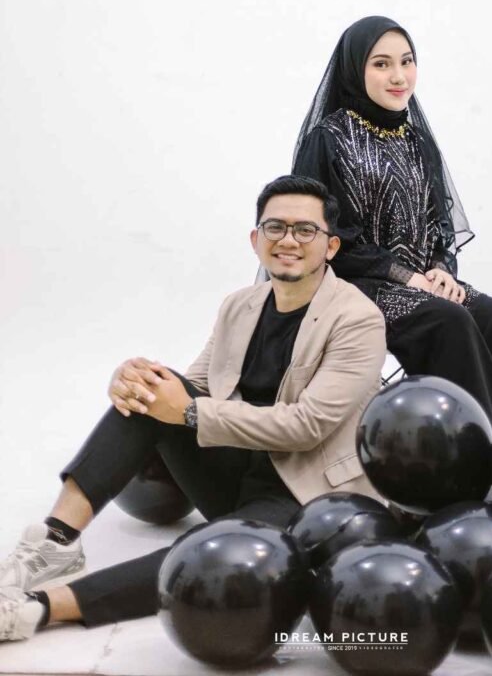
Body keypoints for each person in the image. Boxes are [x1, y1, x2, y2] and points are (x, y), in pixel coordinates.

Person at [0, 175, 385, 642]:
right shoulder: (240, 305)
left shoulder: (358, 319)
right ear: (256, 239)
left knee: (211, 552)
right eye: (275, 227)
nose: (288, 240)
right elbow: (196, 385)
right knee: (150, 389)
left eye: (305, 230)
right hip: (234, 471)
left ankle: (38, 609)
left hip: (302, 492)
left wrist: (188, 411)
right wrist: (134, 380)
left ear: (330, 246)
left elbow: (307, 426)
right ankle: (55, 542)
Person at [293, 15, 492, 424]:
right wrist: (407, 277)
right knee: (447, 320)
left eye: (407, 61)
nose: (399, 76)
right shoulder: (328, 140)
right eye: (381, 64)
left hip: (420, 281)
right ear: (355, 69)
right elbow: (322, 238)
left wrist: (441, 269)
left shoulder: (417, 141)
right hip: (352, 285)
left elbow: (438, 227)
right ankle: (464, 444)